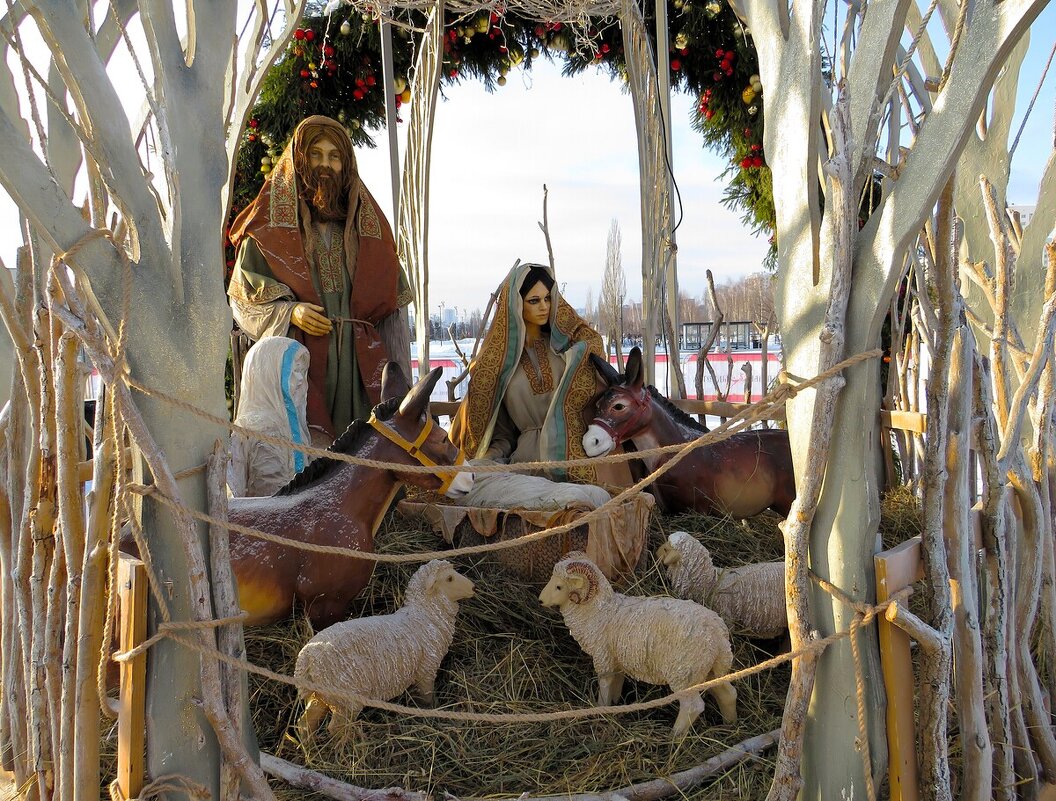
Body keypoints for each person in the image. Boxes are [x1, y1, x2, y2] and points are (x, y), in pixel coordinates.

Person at [227, 115, 412, 441]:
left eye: (334, 156)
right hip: (302, 368)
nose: (325, 164)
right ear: (299, 161)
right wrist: (290, 312)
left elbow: (394, 315)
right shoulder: (267, 234)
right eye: (315, 154)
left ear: (346, 165)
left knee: (364, 453)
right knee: (309, 454)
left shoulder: (369, 235)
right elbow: (244, 302)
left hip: (359, 372)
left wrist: (400, 389)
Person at [450, 262, 626, 493]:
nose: (543, 307)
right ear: (516, 305)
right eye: (534, 301)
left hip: (576, 461)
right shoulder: (495, 367)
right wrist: (485, 462)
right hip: (527, 469)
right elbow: (502, 436)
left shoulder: (569, 353)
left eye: (548, 298)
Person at [228, 336, 313, 497]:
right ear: (269, 375)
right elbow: (238, 494)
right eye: (294, 371)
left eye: (302, 371)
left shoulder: (291, 426)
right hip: (265, 511)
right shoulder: (252, 430)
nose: (301, 378)